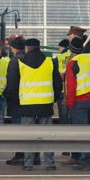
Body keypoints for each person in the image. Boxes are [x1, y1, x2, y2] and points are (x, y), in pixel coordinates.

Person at [18, 38, 62, 171]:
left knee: (28, 136)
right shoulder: (50, 62)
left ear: (27, 48)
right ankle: (49, 163)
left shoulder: (20, 62)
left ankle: (28, 164)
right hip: (45, 105)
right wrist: (53, 98)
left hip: (27, 105)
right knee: (47, 136)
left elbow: (13, 84)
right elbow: (58, 83)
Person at [64, 37, 90, 171]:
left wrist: (70, 104)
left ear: (71, 50)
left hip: (80, 102)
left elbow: (71, 87)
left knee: (80, 132)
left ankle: (85, 161)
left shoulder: (72, 63)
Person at [4, 36, 27, 166]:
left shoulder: (14, 61)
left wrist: (9, 98)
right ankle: (32, 155)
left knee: (19, 130)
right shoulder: (29, 59)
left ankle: (20, 155)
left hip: (17, 101)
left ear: (14, 48)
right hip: (30, 100)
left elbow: (12, 83)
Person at [53, 39, 70, 125]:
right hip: (73, 90)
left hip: (62, 91)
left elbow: (55, 76)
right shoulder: (76, 56)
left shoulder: (58, 58)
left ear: (61, 47)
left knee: (63, 117)